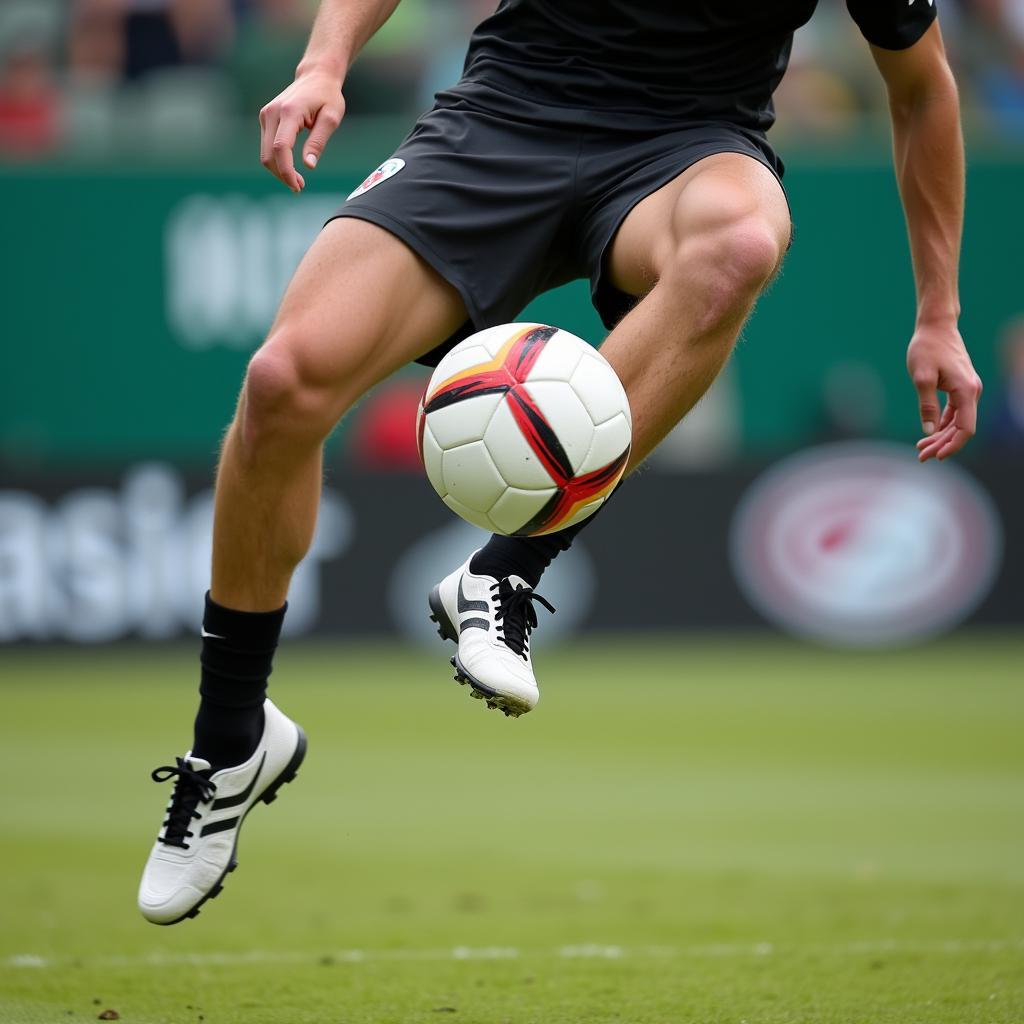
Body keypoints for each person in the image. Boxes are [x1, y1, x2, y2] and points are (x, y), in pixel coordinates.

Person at [138, 0, 982, 925]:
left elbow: (922, 88)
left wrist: (938, 315)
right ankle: (230, 742)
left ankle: (505, 572)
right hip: (504, 118)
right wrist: (324, 62)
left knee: (740, 241)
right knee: (280, 383)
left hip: (688, 148)